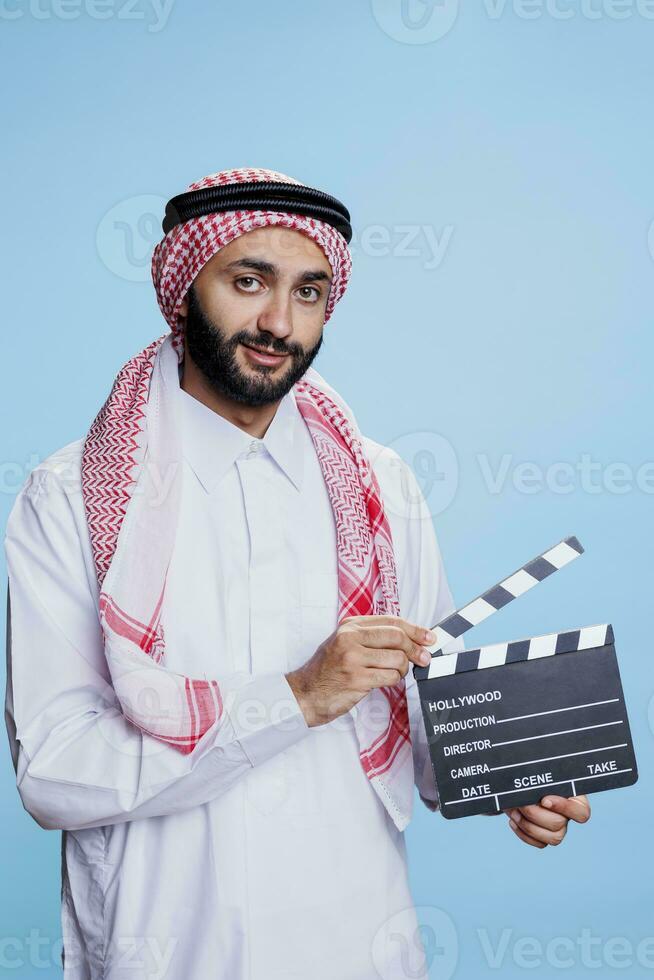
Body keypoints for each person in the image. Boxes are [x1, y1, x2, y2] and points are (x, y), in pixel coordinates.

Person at [4, 167, 591, 980]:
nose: (280, 322)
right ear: (184, 290)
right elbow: (56, 773)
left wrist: (503, 778)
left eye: (309, 293)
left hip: (358, 945)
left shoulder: (380, 484)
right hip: (166, 950)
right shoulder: (71, 497)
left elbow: (417, 717)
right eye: (249, 282)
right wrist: (295, 698)